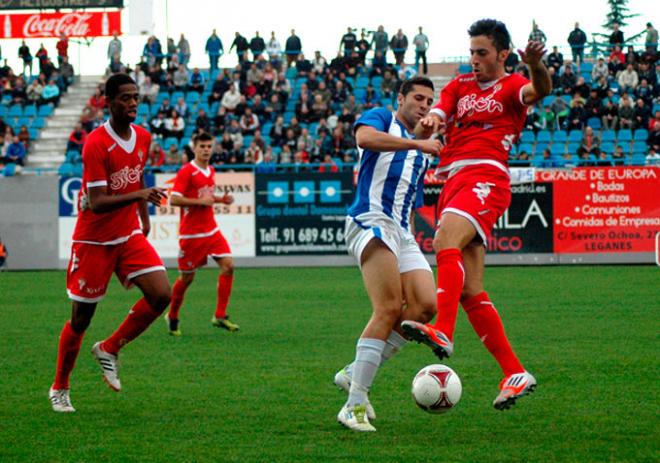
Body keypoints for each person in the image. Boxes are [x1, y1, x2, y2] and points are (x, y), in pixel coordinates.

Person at [401, 19, 551, 411]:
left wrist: (536, 65)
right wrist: (432, 119)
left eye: (482, 53)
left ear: (503, 54)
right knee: (469, 290)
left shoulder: (513, 85)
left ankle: (443, 331)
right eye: (471, 52)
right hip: (453, 179)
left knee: (443, 240)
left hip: (485, 175)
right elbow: (440, 109)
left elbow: (540, 90)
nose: (474, 60)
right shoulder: (461, 85)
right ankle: (514, 372)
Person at [49, 73, 171, 413]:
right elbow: (98, 200)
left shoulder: (143, 137)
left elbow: (139, 172)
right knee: (80, 319)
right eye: (125, 98)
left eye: (136, 97)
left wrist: (144, 217)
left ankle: (110, 347)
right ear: (109, 102)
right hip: (94, 239)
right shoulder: (95, 144)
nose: (133, 103)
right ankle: (60, 386)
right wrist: (141, 195)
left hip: (128, 233)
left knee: (162, 293)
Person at [335, 77, 442, 432]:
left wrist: (409, 240)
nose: (424, 105)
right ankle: (354, 405)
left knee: (425, 306)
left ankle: (355, 371)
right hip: (370, 219)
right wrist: (419, 142)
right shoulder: (383, 118)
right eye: (417, 97)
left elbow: (411, 200)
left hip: (400, 230)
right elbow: (364, 139)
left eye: (429, 100)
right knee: (389, 308)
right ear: (401, 98)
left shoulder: (420, 152)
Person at [165, 131, 239, 336]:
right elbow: (174, 199)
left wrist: (221, 200)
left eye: (209, 146)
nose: (206, 150)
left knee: (228, 266)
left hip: (211, 230)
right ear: (194, 148)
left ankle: (220, 315)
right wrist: (201, 202)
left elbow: (204, 196)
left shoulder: (211, 170)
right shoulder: (186, 172)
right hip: (191, 235)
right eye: (202, 147)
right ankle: (172, 316)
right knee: (186, 279)